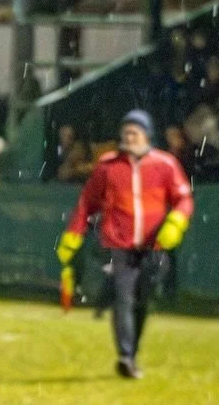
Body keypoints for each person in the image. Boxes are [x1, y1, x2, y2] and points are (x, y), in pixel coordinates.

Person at [57, 109, 194, 378]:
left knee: (142, 300)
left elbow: (183, 198)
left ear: (147, 135)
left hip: (153, 246)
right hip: (118, 245)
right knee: (123, 299)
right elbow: (87, 203)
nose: (129, 137)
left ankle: (131, 352)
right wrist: (74, 234)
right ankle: (125, 356)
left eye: (135, 132)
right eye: (126, 132)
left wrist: (176, 222)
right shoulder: (107, 166)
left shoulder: (165, 164)